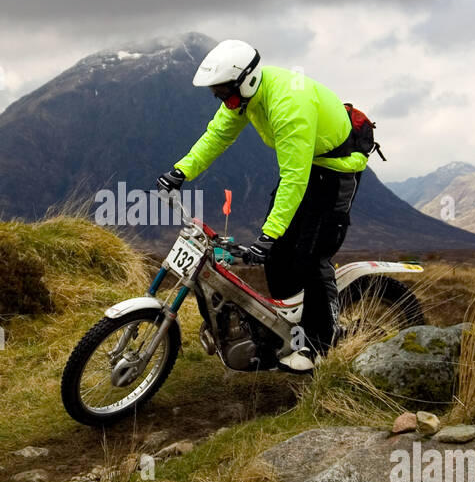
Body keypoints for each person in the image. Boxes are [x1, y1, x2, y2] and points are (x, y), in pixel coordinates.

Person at [157, 39, 367, 372]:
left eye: (224, 91)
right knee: (278, 255)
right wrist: (181, 171)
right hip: (306, 169)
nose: (221, 98)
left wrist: (268, 234)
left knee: (312, 257)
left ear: (247, 80)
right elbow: (217, 136)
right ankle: (286, 336)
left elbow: (295, 178)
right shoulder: (245, 99)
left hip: (334, 173)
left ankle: (318, 350)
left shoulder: (288, 104)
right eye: (218, 91)